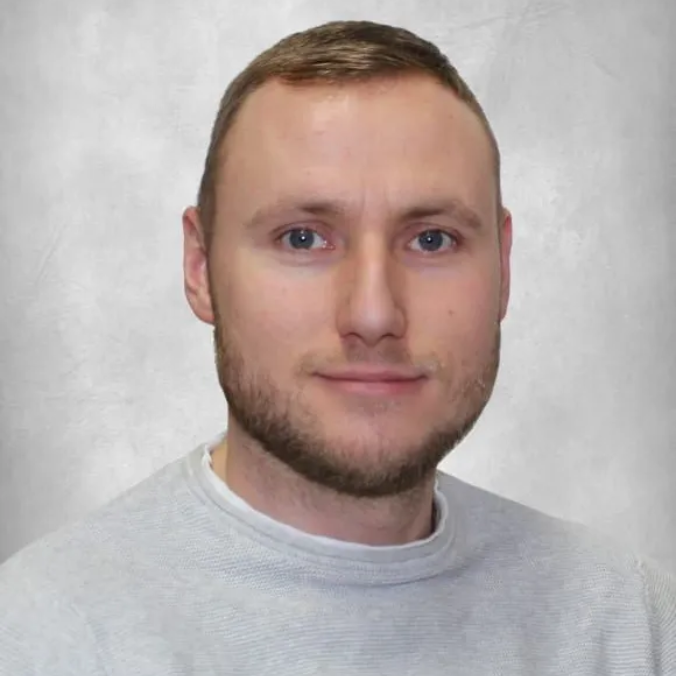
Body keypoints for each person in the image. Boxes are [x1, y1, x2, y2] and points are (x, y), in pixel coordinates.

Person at [1, 19, 674, 675]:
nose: (374, 314)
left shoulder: (629, 624)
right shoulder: (40, 637)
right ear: (200, 268)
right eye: (302, 238)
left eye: (432, 239)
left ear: (502, 264)